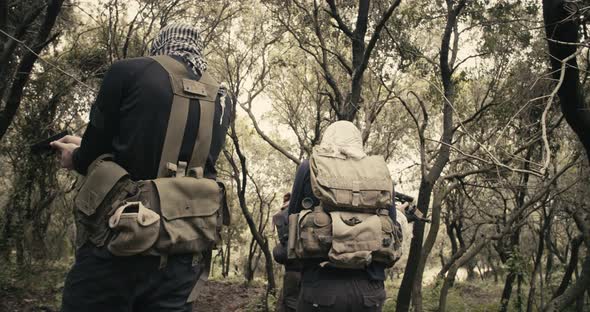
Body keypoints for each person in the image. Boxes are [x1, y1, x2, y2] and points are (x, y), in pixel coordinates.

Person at [51, 24, 231, 312]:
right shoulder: (222, 98)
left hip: (117, 244)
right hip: (183, 251)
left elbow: (92, 155)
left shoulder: (127, 70)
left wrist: (75, 155)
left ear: (159, 46)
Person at [287, 121, 402, 312]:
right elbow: (392, 227)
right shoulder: (381, 174)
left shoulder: (309, 168)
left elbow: (290, 223)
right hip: (370, 289)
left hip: (320, 286)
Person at [272, 192, 302, 312]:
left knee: (290, 303)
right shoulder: (302, 213)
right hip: (308, 270)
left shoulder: (280, 215)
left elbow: (280, 252)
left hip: (292, 270)